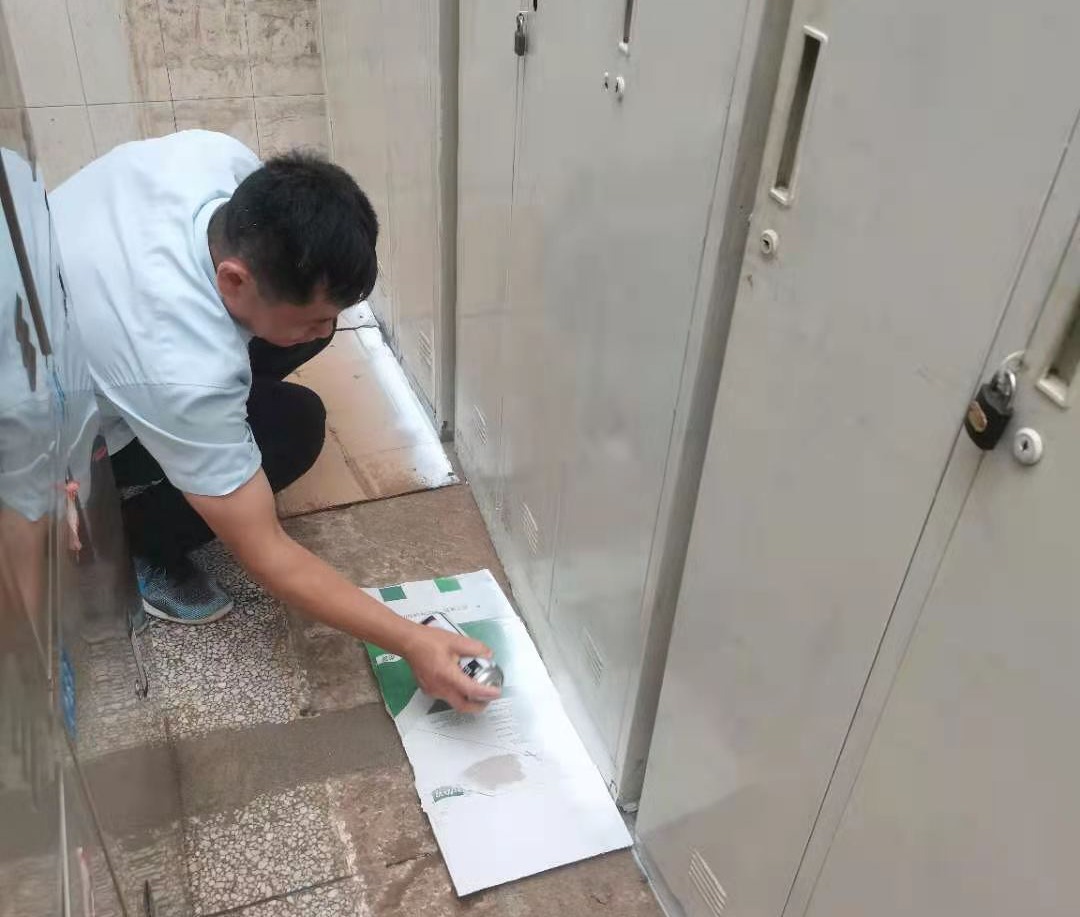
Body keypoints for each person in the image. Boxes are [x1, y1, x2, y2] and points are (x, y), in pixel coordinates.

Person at [51, 130, 499, 712]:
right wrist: (412, 641)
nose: (329, 328)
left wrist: (305, 322)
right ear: (233, 279)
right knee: (294, 428)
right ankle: (136, 543)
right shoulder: (181, 368)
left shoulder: (215, 161)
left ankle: (200, 438)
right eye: (315, 315)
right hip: (50, 435)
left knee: (299, 336)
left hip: (74, 318)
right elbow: (265, 548)